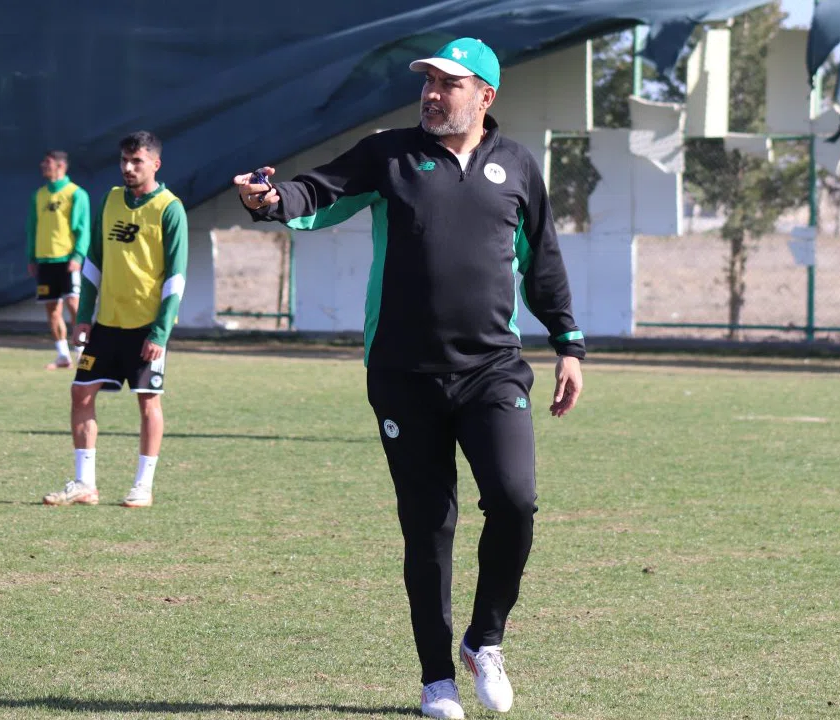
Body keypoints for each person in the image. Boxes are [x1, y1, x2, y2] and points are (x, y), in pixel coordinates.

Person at [235, 38, 584, 719]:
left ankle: (486, 640)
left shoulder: (516, 165)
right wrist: (268, 198)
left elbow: (542, 260)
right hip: (402, 372)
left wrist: (568, 344)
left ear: (484, 96)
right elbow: (318, 193)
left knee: (515, 502)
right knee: (429, 525)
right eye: (427, 81)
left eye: (449, 84)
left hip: (492, 368)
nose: (431, 93)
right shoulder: (388, 154)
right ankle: (436, 680)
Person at [43, 131, 187, 509]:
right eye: (124, 160)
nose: (128, 167)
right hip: (106, 324)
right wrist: (84, 317)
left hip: (146, 326)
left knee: (148, 403)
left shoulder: (170, 208)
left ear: (155, 164)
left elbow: (176, 278)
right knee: (81, 392)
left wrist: (161, 331)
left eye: (137, 161)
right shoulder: (109, 200)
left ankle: (143, 486)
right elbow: (94, 262)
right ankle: (84, 484)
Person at [27, 150, 90, 370]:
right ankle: (63, 356)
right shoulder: (39, 195)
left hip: (67, 259)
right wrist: (32, 257)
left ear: (61, 166)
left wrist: (78, 255)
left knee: (74, 305)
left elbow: (83, 229)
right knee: (52, 309)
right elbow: (32, 228)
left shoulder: (76, 194)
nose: (43, 166)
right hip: (45, 261)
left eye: (48, 162)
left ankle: (83, 353)